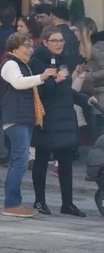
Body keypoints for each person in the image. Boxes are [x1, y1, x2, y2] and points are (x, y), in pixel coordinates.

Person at [30, 25, 96, 217]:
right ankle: (39, 201)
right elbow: (40, 91)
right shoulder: (37, 62)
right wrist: (55, 80)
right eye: (54, 41)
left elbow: (67, 91)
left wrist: (84, 99)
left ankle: (68, 203)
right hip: (48, 117)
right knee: (42, 160)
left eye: (60, 41)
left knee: (66, 162)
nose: (58, 44)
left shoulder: (63, 61)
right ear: (45, 42)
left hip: (65, 117)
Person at [0, 32, 57, 218]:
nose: (31, 50)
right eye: (26, 46)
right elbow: (18, 83)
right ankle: (11, 203)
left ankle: (15, 202)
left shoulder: (22, 65)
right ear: (14, 48)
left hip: (23, 117)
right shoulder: (10, 64)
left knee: (20, 161)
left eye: (32, 46)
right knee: (20, 162)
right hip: (15, 118)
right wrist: (42, 77)